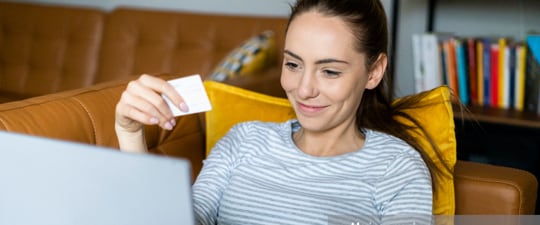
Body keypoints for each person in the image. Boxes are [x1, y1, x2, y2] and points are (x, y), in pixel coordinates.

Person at [116, 0, 444, 224]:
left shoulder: (396, 167)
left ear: (374, 71)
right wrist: (130, 136)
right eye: (293, 64)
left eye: (329, 71)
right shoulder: (243, 140)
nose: (304, 89)